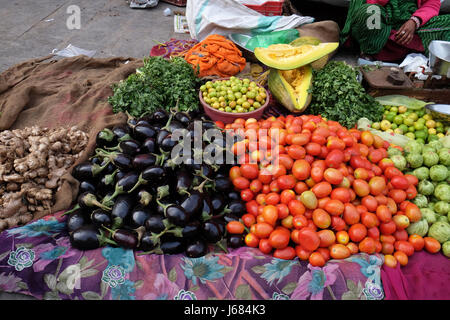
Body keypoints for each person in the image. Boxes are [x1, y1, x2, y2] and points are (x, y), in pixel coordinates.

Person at [341, 0, 450, 62]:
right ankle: (370, 52)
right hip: (383, 24)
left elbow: (432, 5)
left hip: (413, 25)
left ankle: (415, 57)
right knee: (369, 13)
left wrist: (414, 21)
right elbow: (370, 3)